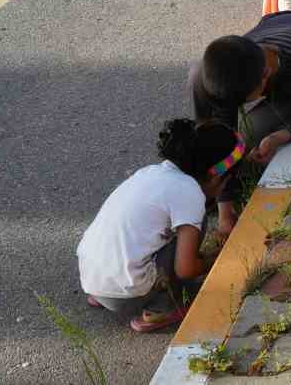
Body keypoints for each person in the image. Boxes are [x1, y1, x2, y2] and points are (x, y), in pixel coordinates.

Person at [76, 118, 243, 333]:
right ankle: (160, 308)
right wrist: (217, 259)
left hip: (91, 278)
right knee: (195, 224)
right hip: (127, 295)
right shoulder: (189, 193)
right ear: (216, 176)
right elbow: (186, 269)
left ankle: (106, 292)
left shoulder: (151, 172)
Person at [190, 12, 291, 234]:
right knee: (237, 146)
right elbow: (221, 139)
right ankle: (209, 194)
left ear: (265, 75)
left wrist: (279, 137)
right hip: (277, 26)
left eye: (244, 101)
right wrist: (225, 209)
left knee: (248, 138)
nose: (238, 107)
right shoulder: (210, 73)